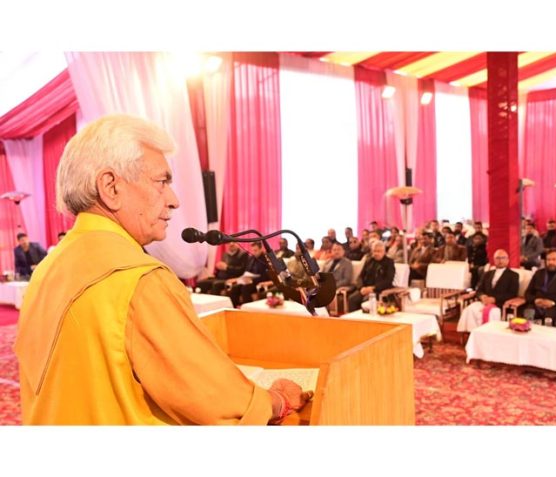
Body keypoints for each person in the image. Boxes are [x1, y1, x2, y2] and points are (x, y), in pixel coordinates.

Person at [14, 114, 310, 425]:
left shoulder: (47, 268)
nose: (174, 200)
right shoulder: (138, 278)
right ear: (111, 187)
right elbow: (216, 401)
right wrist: (276, 400)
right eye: (162, 181)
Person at [457, 249, 519, 332]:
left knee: (491, 313)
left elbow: (512, 293)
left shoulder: (513, 275)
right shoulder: (487, 274)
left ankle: (488, 336)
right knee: (470, 309)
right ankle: (473, 334)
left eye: (503, 258)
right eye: (497, 258)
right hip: (484, 301)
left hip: (499, 304)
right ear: (494, 260)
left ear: (507, 260)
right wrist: (482, 296)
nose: (500, 260)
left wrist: (494, 299)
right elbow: (479, 290)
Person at [523, 249, 556, 326]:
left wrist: (553, 303)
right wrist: (535, 300)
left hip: (555, 307)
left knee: (549, 318)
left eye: (554, 259)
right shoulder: (538, 274)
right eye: (548, 260)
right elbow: (527, 293)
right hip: (536, 305)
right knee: (527, 315)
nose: (551, 262)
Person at [347, 241, 395, 312]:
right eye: (374, 251)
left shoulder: (389, 262)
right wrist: (361, 288)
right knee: (352, 299)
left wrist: (373, 288)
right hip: (365, 288)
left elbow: (388, 280)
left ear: (384, 252)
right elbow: (360, 276)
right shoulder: (369, 260)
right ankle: (355, 321)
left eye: (379, 251)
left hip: (379, 290)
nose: (376, 253)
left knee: (366, 300)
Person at [227, 241, 270, 307]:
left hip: (259, 281)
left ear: (261, 249)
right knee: (235, 287)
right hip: (249, 279)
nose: (254, 252)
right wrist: (240, 279)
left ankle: (248, 309)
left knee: (245, 288)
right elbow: (246, 272)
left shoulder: (266, 259)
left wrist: (251, 280)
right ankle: (234, 308)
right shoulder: (251, 258)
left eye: (256, 250)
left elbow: (266, 275)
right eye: (252, 250)